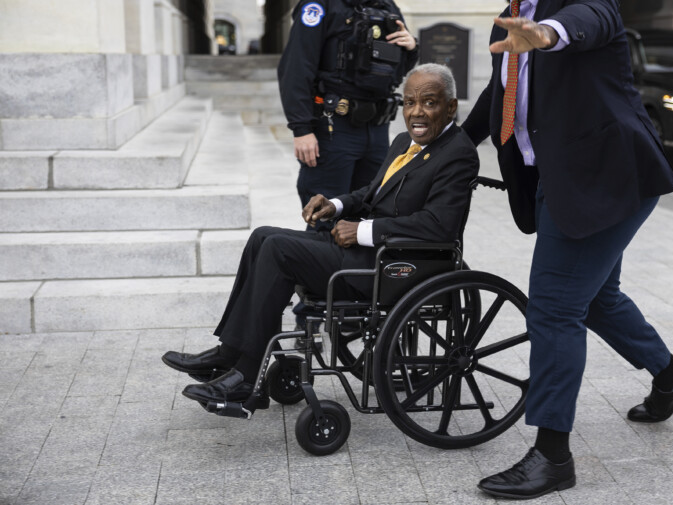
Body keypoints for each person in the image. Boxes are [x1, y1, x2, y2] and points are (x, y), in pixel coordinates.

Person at [461, 0, 673, 500]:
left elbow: (587, 22)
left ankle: (552, 456)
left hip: (607, 174)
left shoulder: (574, 7)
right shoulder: (508, 17)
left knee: (554, 308)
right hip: (565, 178)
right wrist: (451, 146)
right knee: (595, 297)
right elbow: (501, 90)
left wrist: (546, 34)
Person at [162, 64, 479, 412]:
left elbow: (439, 226)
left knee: (280, 250)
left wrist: (361, 230)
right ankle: (229, 354)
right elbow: (372, 192)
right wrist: (336, 204)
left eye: (429, 102)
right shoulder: (405, 141)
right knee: (262, 236)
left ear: (450, 107)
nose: (416, 112)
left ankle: (247, 378)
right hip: (366, 252)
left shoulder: (458, 153)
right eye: (409, 102)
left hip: (395, 267)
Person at [278, 0, 419, 217]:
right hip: (334, 129)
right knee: (324, 217)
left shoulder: (387, 6)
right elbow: (296, 67)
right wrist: (301, 129)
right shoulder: (319, 5)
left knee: (370, 213)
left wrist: (411, 49)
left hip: (377, 130)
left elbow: (393, 70)